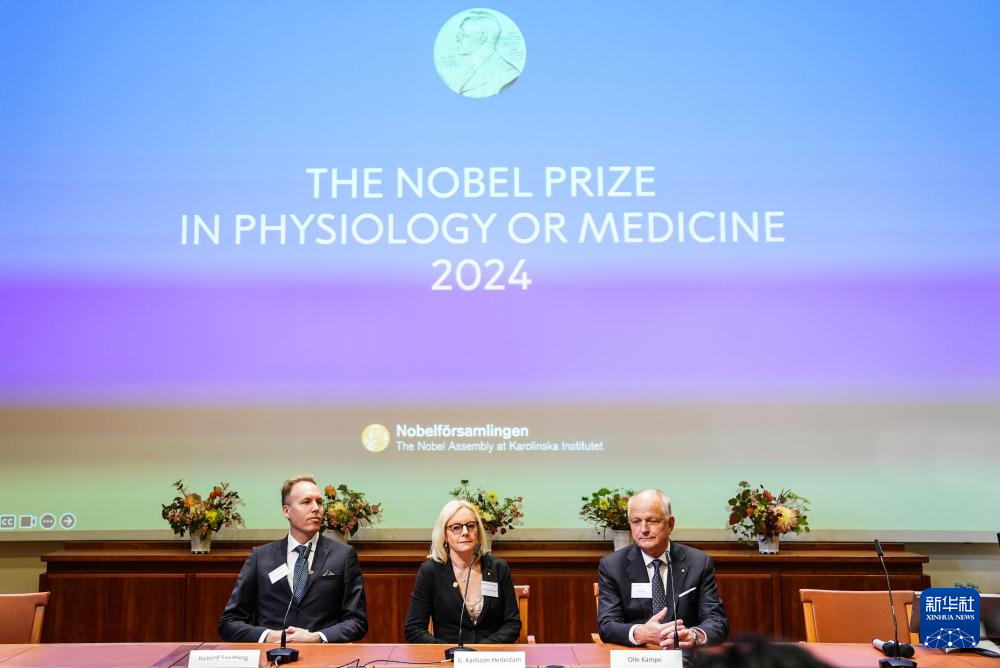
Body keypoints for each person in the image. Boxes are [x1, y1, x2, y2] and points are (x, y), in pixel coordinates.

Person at [218, 475, 367, 643]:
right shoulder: (260, 557)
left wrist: (317, 637)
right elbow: (229, 623)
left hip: (322, 654)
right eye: (306, 502)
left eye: (319, 502)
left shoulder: (343, 555)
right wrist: (269, 636)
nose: (316, 508)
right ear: (286, 511)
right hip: (272, 653)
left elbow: (357, 622)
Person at [597, 488, 728, 647]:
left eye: (652, 521)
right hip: (638, 654)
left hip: (684, 653)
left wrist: (693, 636)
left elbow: (716, 621)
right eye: (636, 522)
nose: (644, 529)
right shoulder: (613, 566)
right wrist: (640, 633)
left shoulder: (698, 563)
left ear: (670, 524)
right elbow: (607, 625)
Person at [404, 500, 521, 643]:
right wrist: (449, 651)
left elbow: (512, 624)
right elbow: (414, 629)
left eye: (470, 526)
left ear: (478, 531)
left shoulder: (498, 568)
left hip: (490, 654)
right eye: (456, 527)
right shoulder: (430, 572)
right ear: (444, 535)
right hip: (448, 655)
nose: (465, 532)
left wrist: (483, 650)